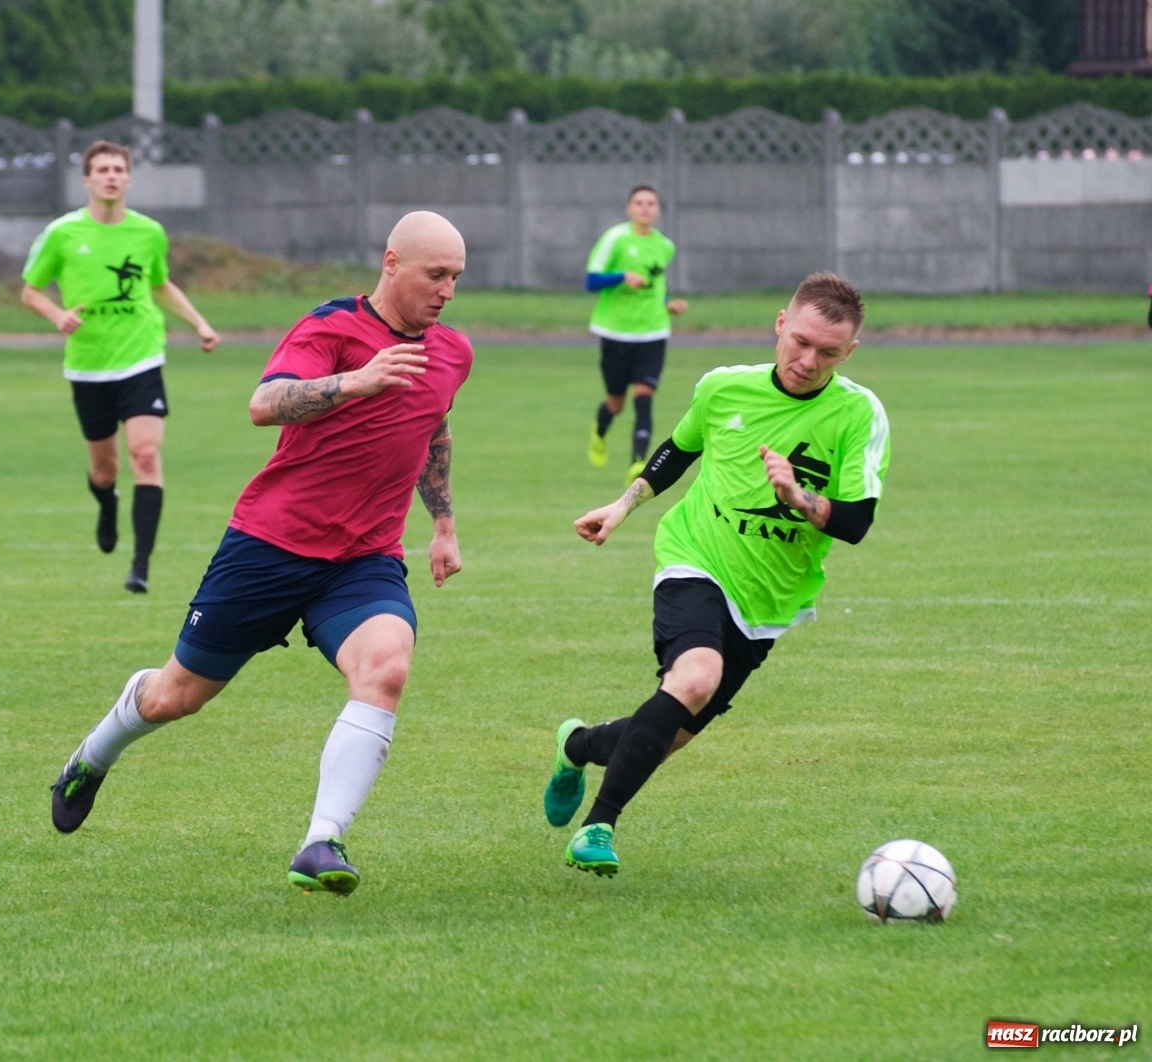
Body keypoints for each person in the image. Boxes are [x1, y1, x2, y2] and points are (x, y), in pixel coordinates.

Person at [49, 211, 473, 897]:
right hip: (270, 545)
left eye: (456, 277)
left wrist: (445, 522)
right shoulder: (331, 328)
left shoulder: (452, 351)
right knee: (173, 698)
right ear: (392, 263)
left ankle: (321, 840)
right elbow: (264, 403)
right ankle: (92, 756)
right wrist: (356, 381)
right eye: (436, 275)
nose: (447, 291)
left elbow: (434, 424)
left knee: (386, 669)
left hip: (364, 559)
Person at [546, 272, 889, 876]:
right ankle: (597, 826)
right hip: (694, 559)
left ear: (849, 352)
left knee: (672, 729)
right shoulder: (724, 388)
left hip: (769, 601)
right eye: (801, 341)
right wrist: (622, 506)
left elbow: (857, 521)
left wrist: (798, 499)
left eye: (828, 352)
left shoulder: (859, 414)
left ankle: (578, 746)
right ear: (780, 325)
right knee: (696, 676)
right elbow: (679, 449)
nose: (808, 361)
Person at [20, 139, 220, 594]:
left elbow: (160, 284)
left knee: (146, 455)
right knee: (105, 469)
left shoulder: (148, 232)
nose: (111, 175)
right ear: (87, 179)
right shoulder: (62, 233)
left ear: (128, 179)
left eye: (118, 169)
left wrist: (198, 321)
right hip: (89, 366)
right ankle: (107, 505)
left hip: (141, 357)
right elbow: (30, 290)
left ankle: (140, 566)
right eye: (102, 169)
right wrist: (57, 315)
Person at [584, 185, 689, 483]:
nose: (645, 208)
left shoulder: (664, 246)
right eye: (639, 203)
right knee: (616, 402)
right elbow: (590, 281)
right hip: (616, 332)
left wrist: (668, 306)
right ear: (630, 208)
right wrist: (621, 277)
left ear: (657, 210)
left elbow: (656, 287)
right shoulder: (615, 239)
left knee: (644, 396)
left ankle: (638, 462)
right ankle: (599, 430)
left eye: (651, 203)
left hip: (653, 332)